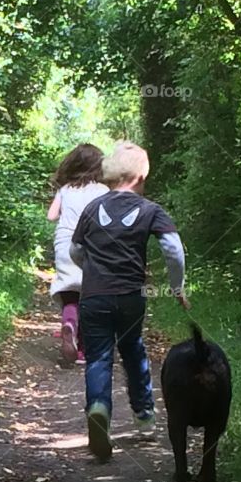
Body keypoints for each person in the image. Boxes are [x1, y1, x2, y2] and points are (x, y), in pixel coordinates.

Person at [69, 140, 190, 460]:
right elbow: (174, 250)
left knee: (98, 357)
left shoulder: (92, 208)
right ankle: (145, 417)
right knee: (133, 349)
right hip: (130, 297)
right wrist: (177, 286)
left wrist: (92, 270)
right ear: (139, 177)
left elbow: (75, 250)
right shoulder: (151, 210)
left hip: (94, 296)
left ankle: (98, 407)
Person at [47, 143, 108, 363]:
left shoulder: (65, 190)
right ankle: (82, 350)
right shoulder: (102, 191)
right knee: (89, 294)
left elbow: (51, 216)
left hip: (64, 243)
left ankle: (69, 324)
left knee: (69, 291)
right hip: (92, 244)